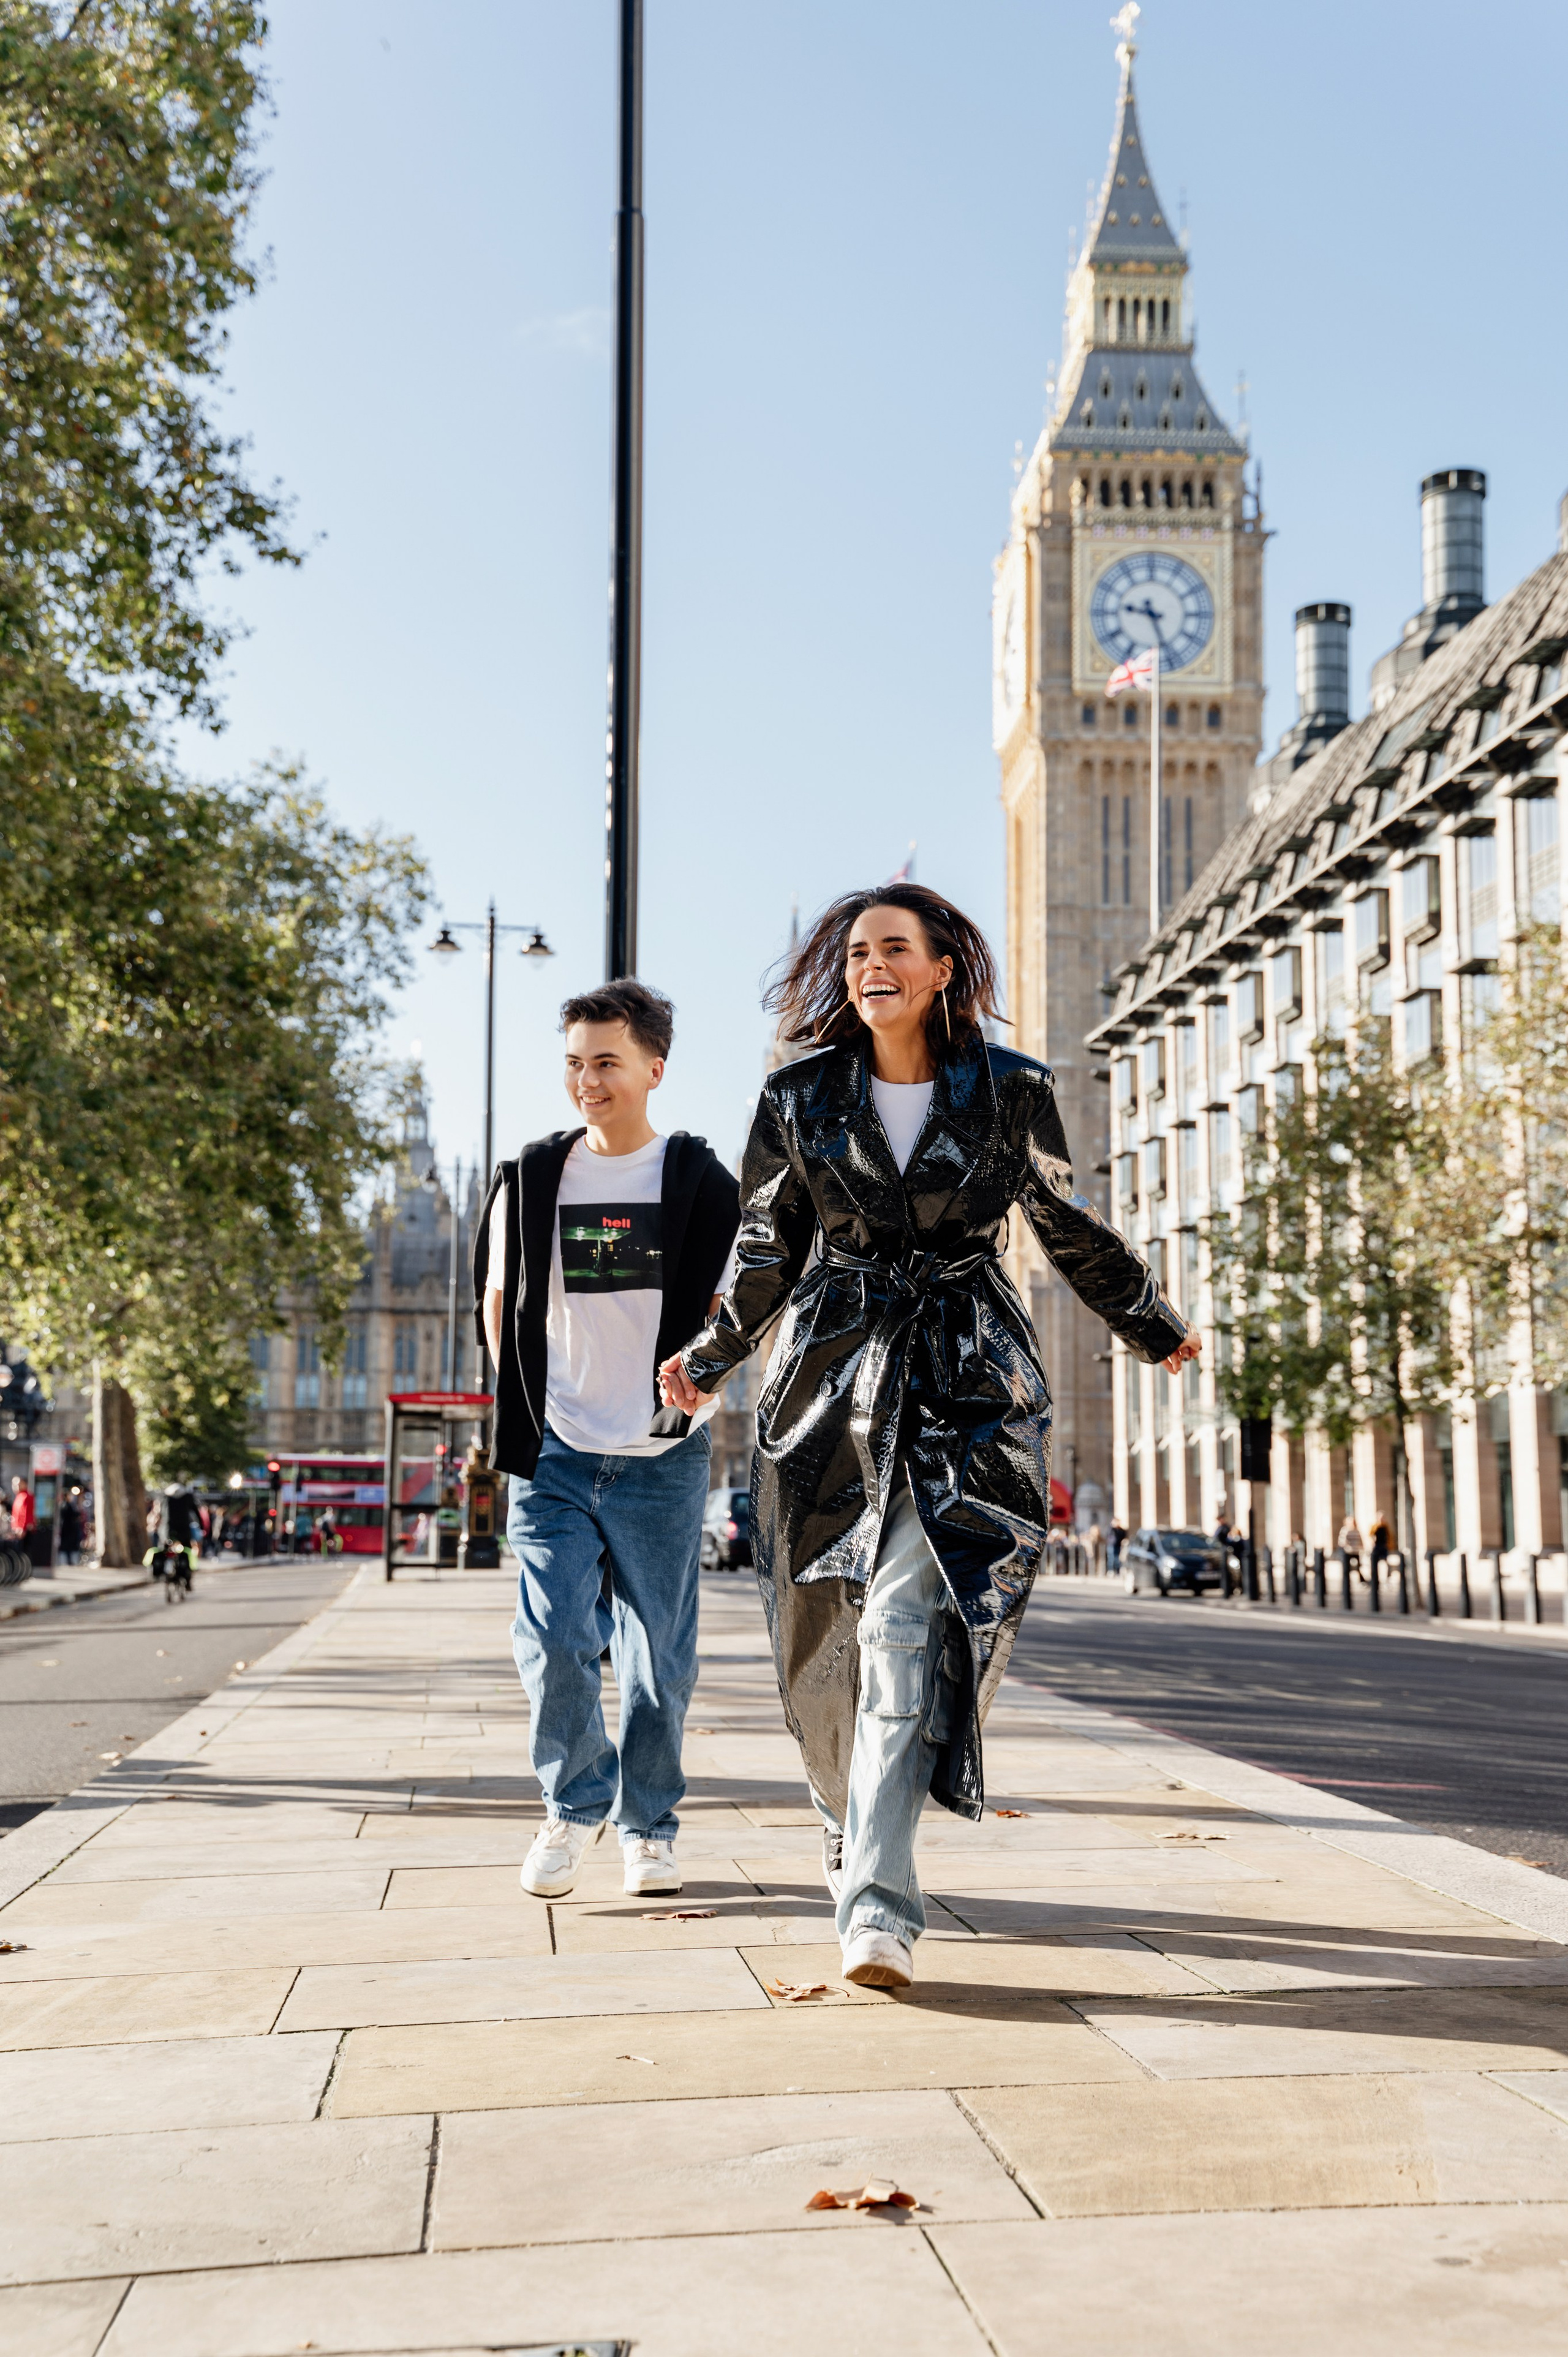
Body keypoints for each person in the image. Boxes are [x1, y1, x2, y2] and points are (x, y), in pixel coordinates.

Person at [660, 884, 1197, 1991]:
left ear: (943, 967)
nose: (872, 964)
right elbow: (768, 1250)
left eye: (895, 947)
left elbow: (1064, 1220)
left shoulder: (1013, 1090)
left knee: (907, 1625)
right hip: (828, 1382)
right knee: (824, 1645)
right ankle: (852, 1824)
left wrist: (1149, 1317)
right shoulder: (800, 1096)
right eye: (858, 950)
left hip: (967, 1383)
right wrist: (708, 1356)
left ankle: (877, 1909)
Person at [477, 979, 741, 1903]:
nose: (587, 1081)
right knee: (551, 1639)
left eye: (606, 1064)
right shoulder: (532, 1174)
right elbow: (498, 1297)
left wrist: (706, 1376)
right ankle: (574, 1803)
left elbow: (742, 1309)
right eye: (575, 1064)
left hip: (661, 1457)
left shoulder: (703, 1181)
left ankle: (649, 1827)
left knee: (656, 1664)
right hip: (557, 1448)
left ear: (653, 1070)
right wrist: (515, 1397)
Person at [57, 1488, 84, 1566]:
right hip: (68, 1530)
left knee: (69, 1546)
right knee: (68, 1546)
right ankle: (68, 1561)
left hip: (68, 1530)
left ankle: (69, 1561)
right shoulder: (66, 1506)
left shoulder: (69, 1505)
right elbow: (75, 1515)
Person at [9, 1476, 35, 1541]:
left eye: (19, 1484)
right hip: (17, 1529)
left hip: (23, 1530)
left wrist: (22, 1528)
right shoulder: (19, 1497)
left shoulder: (26, 1496)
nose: (17, 1487)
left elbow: (24, 1513)